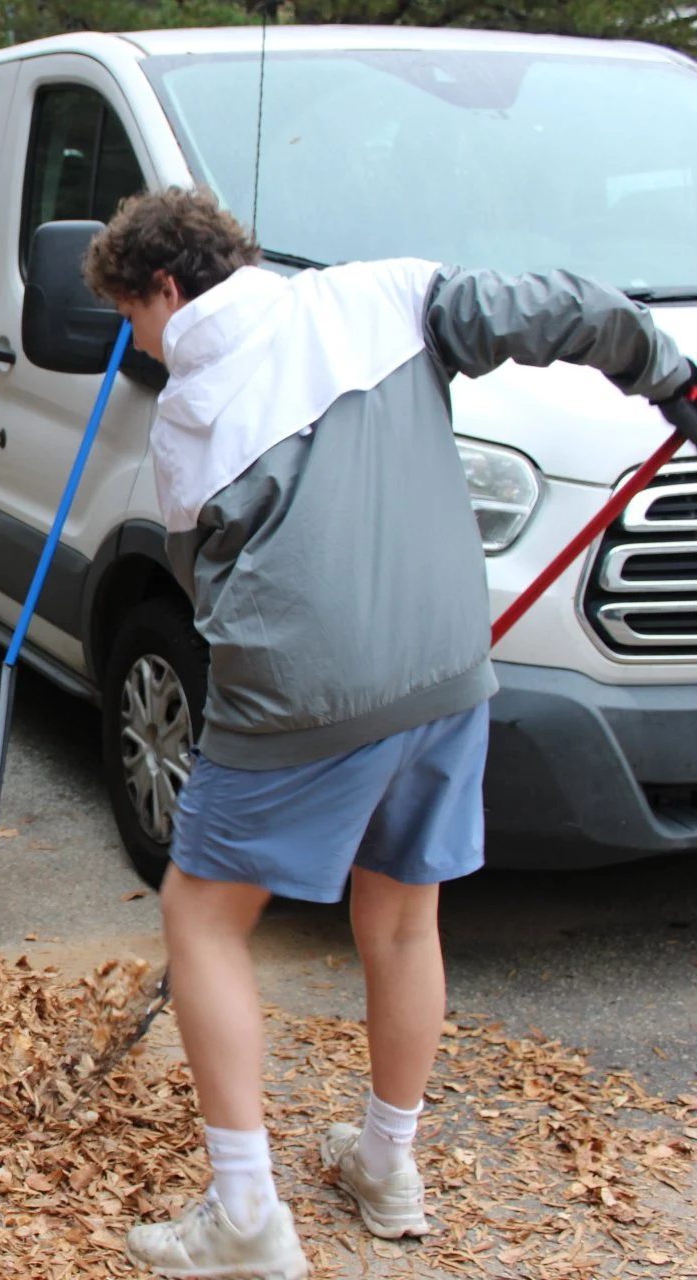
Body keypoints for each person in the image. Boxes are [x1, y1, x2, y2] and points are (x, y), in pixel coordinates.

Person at [84, 188, 697, 1280]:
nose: (139, 342)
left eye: (133, 317)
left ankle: (244, 1218)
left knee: (202, 912)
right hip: (449, 668)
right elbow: (555, 305)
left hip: (307, 694)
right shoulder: (387, 295)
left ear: (166, 289)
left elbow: (205, 582)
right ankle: (386, 1163)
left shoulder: (188, 415)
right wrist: (668, 373)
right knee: (405, 915)